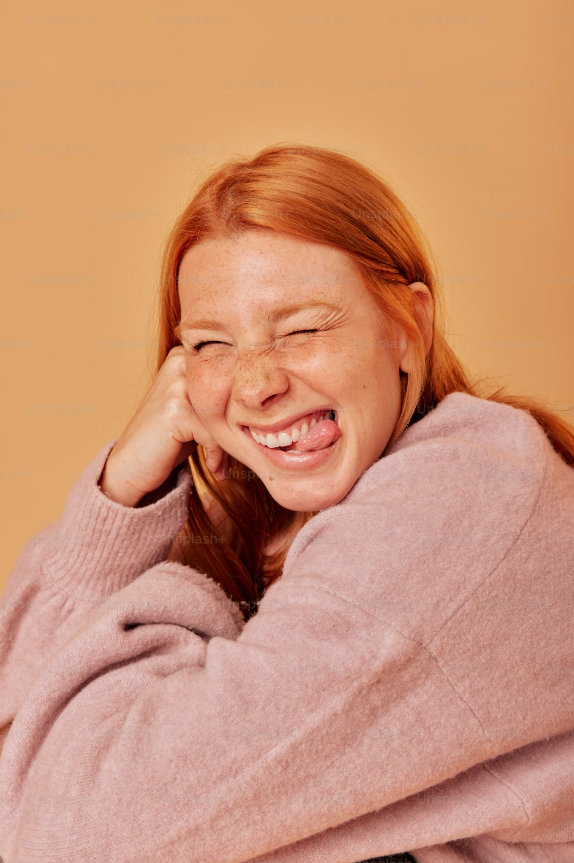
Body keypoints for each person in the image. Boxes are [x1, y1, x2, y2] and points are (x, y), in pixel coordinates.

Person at [1, 144, 573, 863]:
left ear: (408, 327)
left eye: (302, 329)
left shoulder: (469, 492)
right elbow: (12, 740)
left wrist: (185, 595)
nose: (256, 384)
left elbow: (70, 833)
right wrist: (121, 493)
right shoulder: (275, 520)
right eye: (211, 344)